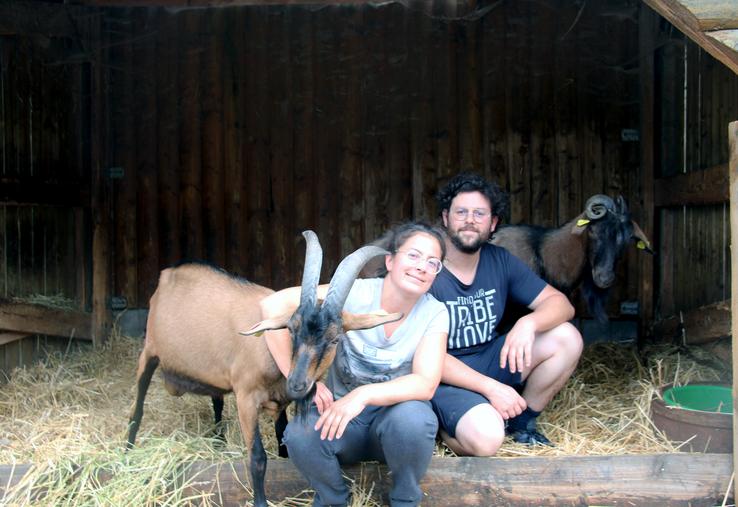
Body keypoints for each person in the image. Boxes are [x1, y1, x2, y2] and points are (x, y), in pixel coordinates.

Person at [261, 222, 449, 507]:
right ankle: (334, 499)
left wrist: (362, 395)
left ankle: (404, 499)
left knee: (415, 419)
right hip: (340, 422)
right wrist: (299, 378)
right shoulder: (354, 294)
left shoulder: (434, 312)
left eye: (432, 262)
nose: (422, 266)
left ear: (436, 272)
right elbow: (272, 306)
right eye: (413, 256)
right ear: (390, 260)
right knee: (300, 433)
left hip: (394, 425)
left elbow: (425, 383)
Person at [429, 172, 583, 456]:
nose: (470, 220)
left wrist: (528, 322)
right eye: (461, 212)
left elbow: (562, 304)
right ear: (445, 218)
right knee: (487, 440)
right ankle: (444, 427)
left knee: (567, 337)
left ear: (493, 223)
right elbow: (418, 354)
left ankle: (522, 424)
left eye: (479, 213)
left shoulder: (499, 260)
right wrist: (491, 389)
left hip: (489, 359)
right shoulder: (429, 267)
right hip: (442, 377)